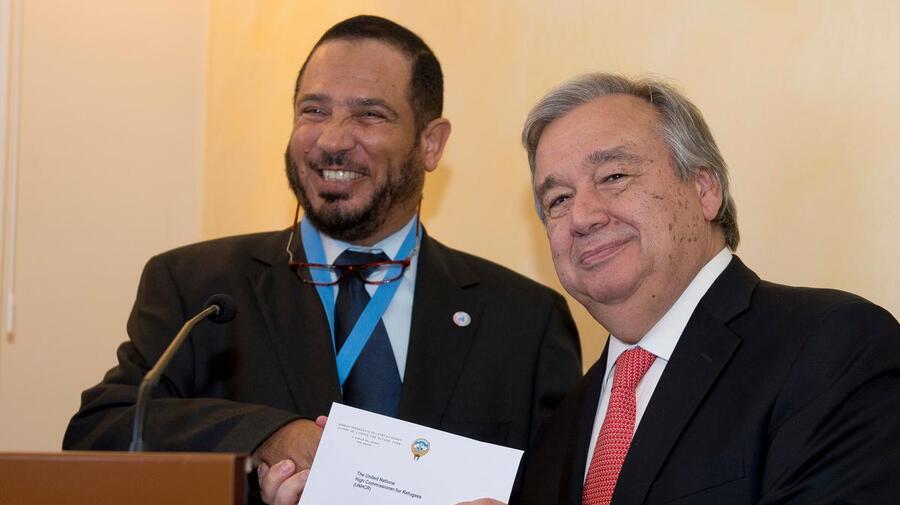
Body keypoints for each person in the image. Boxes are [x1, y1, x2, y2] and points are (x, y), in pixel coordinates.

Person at [62, 15, 582, 505]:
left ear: (430, 143)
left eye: (369, 114)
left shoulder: (525, 320)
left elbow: (566, 486)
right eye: (313, 111)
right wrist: (266, 436)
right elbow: (102, 430)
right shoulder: (197, 286)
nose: (332, 140)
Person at [461, 73, 900, 505]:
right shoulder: (560, 427)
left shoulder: (832, 347)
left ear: (704, 189)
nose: (582, 216)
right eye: (558, 199)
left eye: (613, 176)